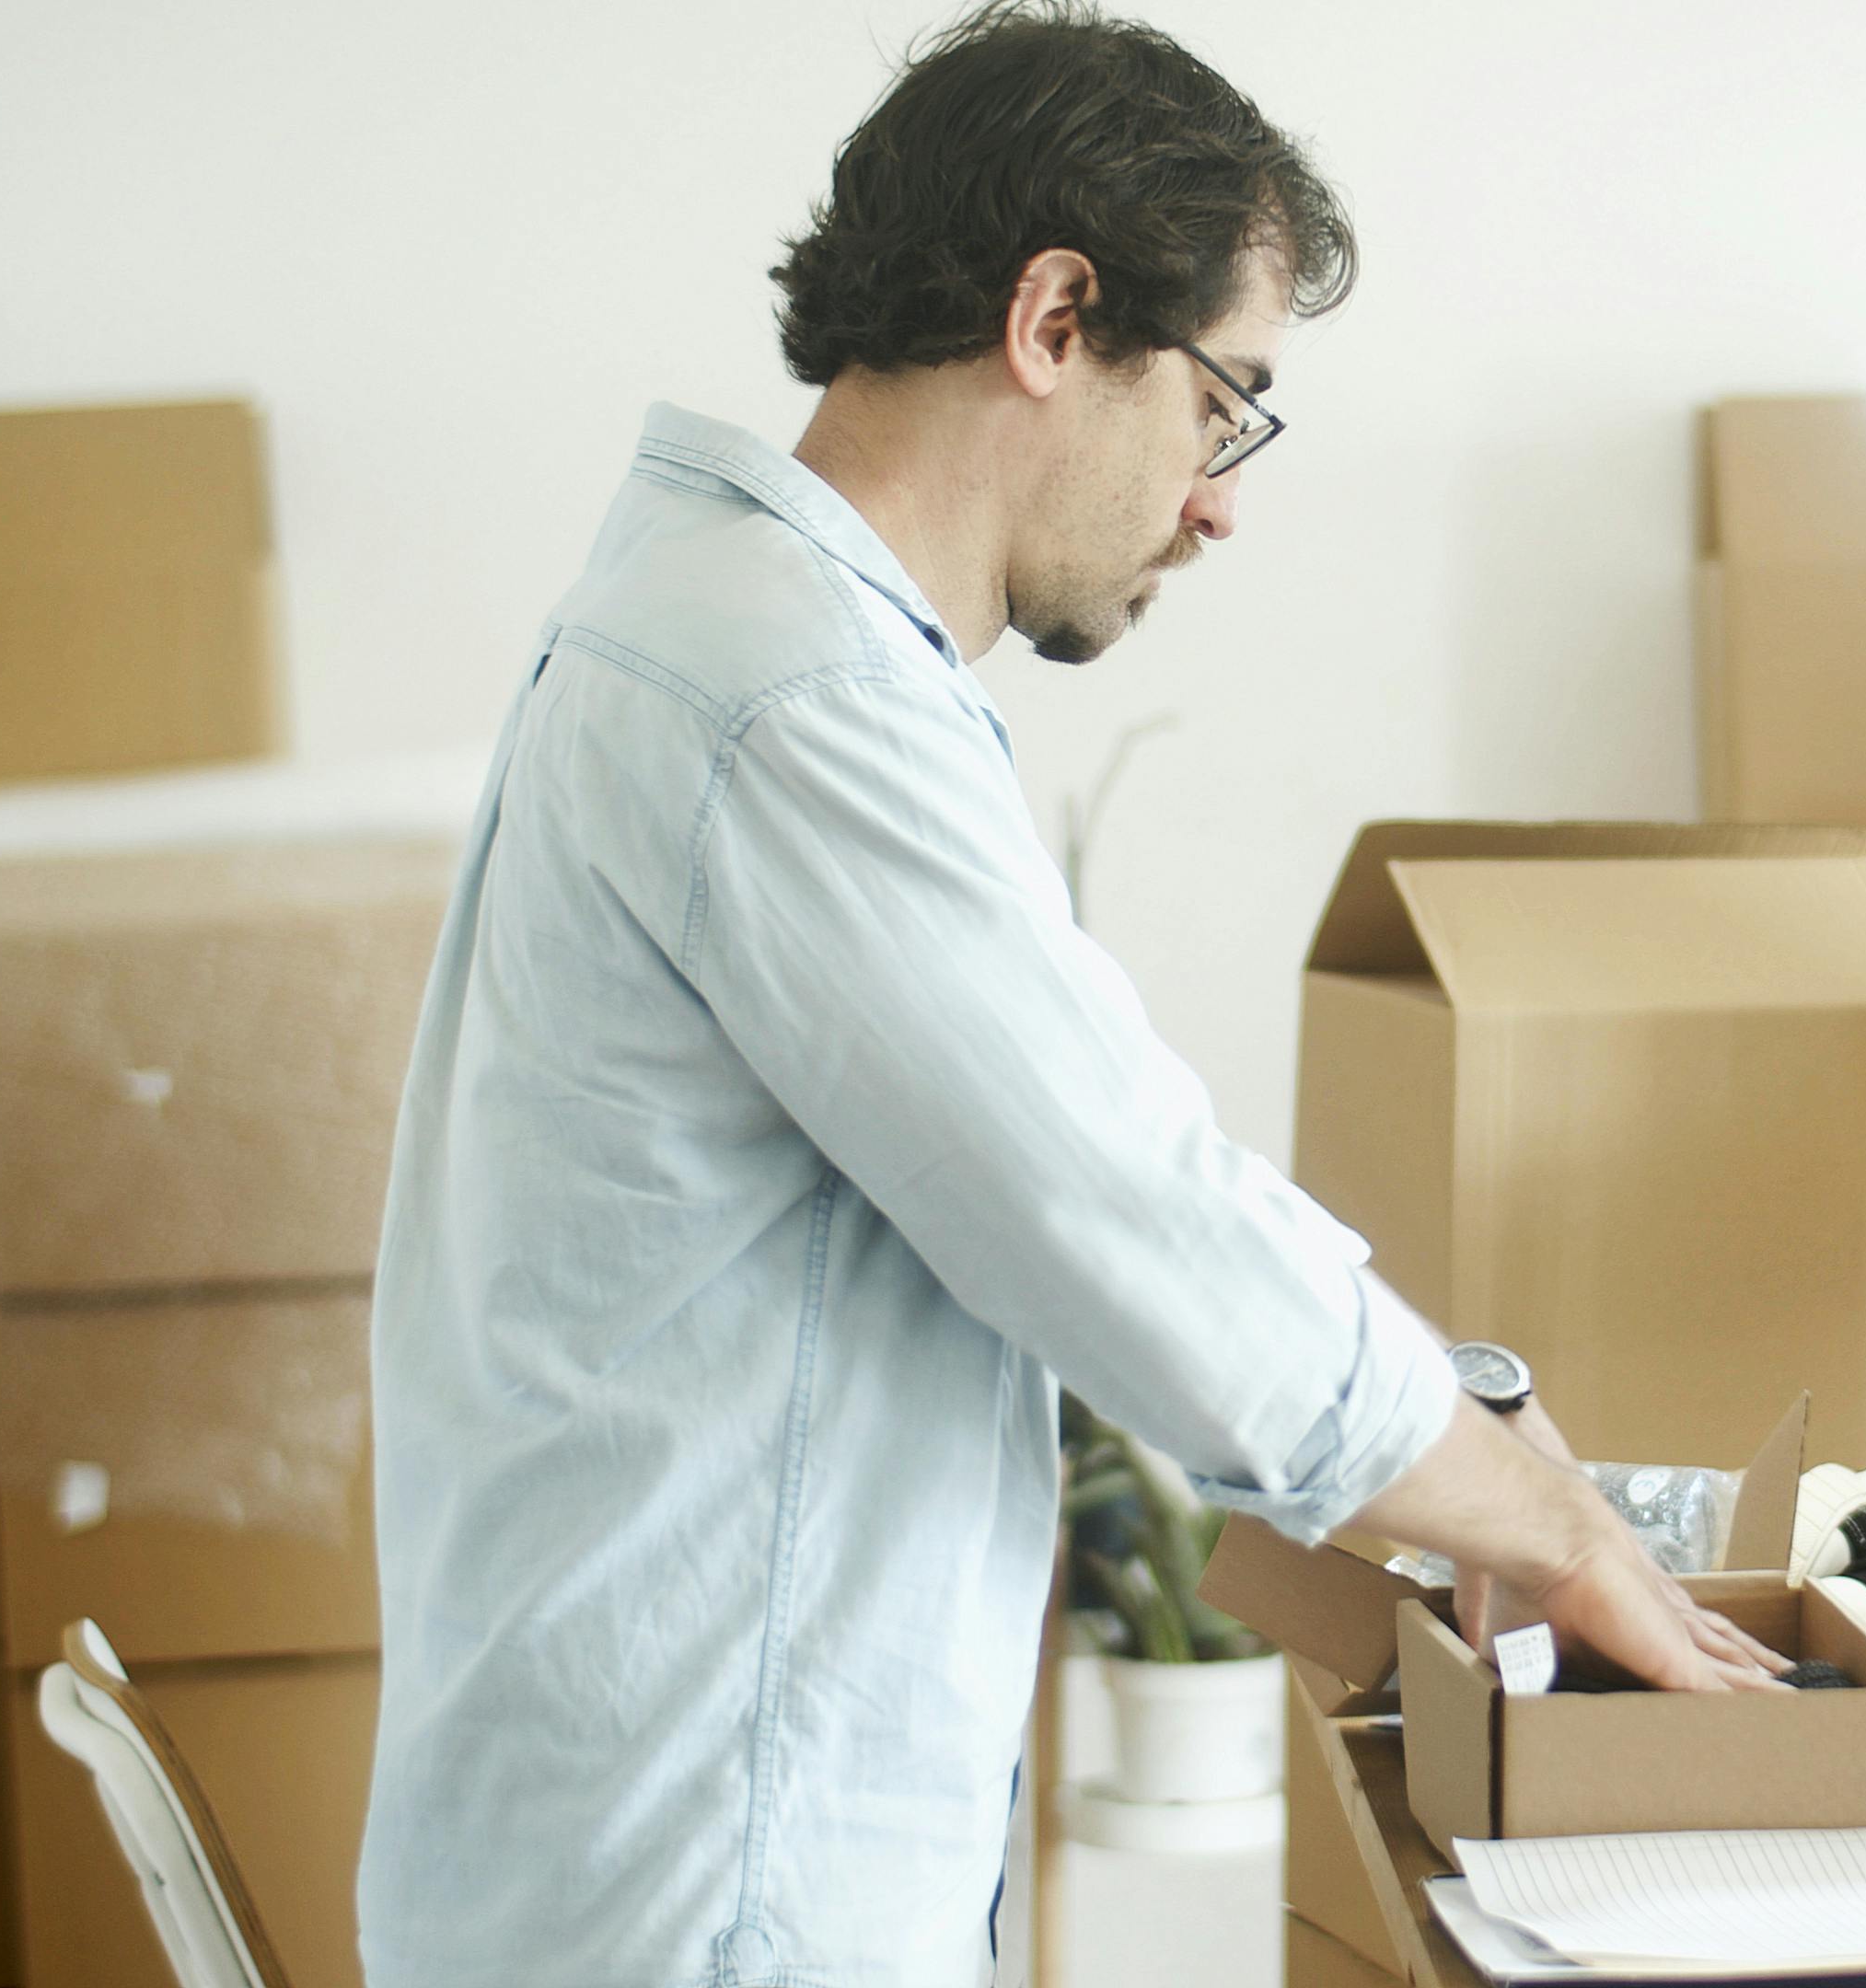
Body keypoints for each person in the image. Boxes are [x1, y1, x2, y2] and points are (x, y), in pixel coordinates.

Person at [355, 6, 1782, 1985]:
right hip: (707, 1899)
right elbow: (1128, 1223)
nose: (1219, 501)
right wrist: (1553, 1527)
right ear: (1055, 317)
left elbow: (1105, 1172)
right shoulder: (786, 698)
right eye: (1224, 406)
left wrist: (1459, 1430)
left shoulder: (741, 643)